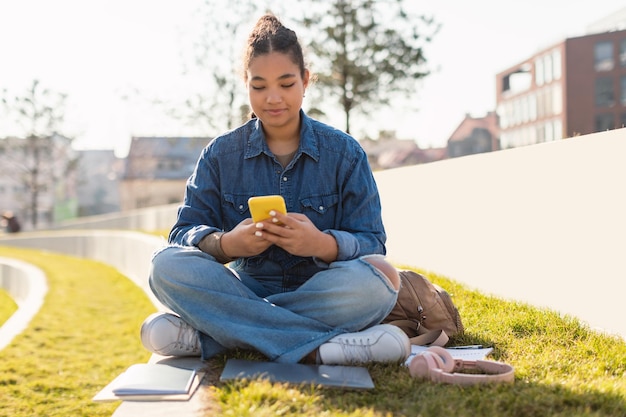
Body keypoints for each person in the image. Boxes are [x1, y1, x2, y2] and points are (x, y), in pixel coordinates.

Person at [140, 13, 410, 365]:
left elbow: (372, 241)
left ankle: (219, 335)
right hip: (243, 288)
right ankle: (320, 348)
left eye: (285, 84)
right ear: (245, 83)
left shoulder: (344, 153)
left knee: (379, 280)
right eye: (259, 86)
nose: (273, 98)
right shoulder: (221, 154)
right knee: (164, 266)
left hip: (320, 290)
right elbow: (182, 233)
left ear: (305, 81)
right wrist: (226, 244)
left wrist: (322, 244)